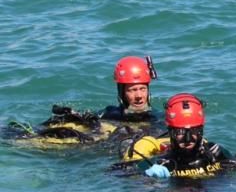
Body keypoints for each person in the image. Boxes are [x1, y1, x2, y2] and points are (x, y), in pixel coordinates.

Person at [5, 55, 163, 146]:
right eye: (132, 90)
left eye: (142, 89)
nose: (139, 96)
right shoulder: (108, 114)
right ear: (121, 93)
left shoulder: (159, 119)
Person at [112, 93, 236, 179]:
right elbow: (114, 172)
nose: (188, 140)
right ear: (171, 132)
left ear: (201, 130)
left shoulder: (214, 153)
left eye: (193, 132)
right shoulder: (164, 163)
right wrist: (145, 175)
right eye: (181, 133)